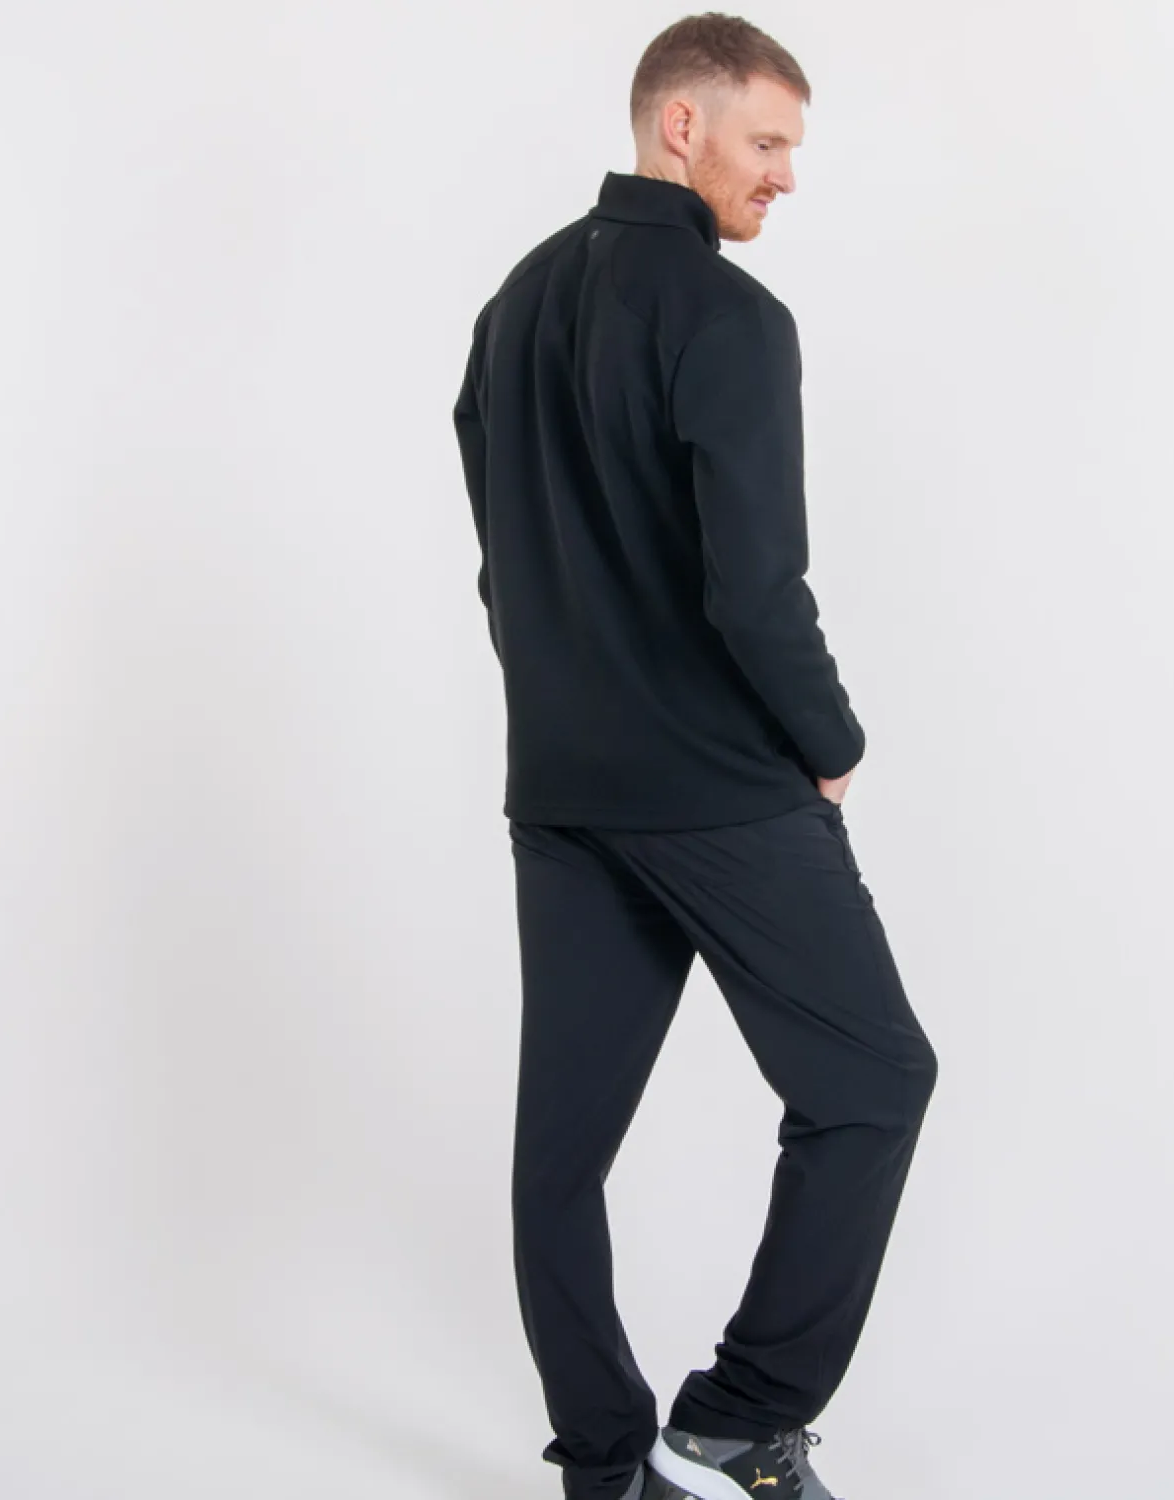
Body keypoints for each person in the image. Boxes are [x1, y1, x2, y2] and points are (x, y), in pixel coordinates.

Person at [453, 14, 938, 1500]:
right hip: (715, 790)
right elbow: (755, 591)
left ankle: (607, 1466)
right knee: (874, 1082)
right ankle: (738, 1419)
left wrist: (568, 713)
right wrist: (831, 742)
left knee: (561, 1153)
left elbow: (506, 568)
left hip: (562, 793)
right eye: (767, 141)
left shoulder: (514, 305)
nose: (785, 175)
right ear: (683, 126)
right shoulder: (732, 319)